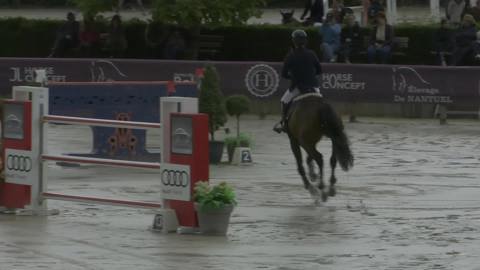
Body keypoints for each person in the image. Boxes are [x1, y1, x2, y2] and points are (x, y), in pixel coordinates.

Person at [273, 30, 322, 134]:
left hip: (297, 88)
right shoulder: (312, 54)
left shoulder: (290, 56)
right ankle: (324, 123)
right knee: (321, 102)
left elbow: (284, 74)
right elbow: (319, 70)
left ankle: (284, 123)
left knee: (284, 101)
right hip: (313, 87)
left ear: (293, 41)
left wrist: (294, 76)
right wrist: (310, 76)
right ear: (305, 41)